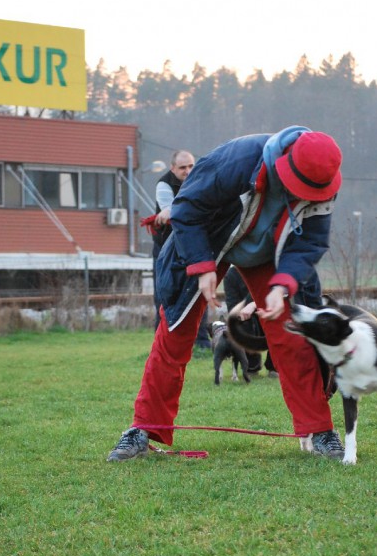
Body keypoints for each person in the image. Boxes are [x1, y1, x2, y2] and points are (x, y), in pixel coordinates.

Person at [108, 126, 345, 461]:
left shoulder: (323, 184)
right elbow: (186, 208)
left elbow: (311, 242)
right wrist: (202, 265)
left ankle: (319, 430)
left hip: (267, 255)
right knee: (174, 333)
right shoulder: (238, 159)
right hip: (207, 242)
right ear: (283, 164)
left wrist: (284, 283)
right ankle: (142, 430)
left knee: (292, 336)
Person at [151, 149, 208, 349]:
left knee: (200, 291)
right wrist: (169, 210)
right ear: (172, 168)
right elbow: (172, 210)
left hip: (193, 245)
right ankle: (162, 343)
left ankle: (202, 343)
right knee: (164, 294)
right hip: (166, 249)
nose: (188, 171)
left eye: (191, 166)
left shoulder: (201, 180)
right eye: (182, 167)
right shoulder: (164, 183)